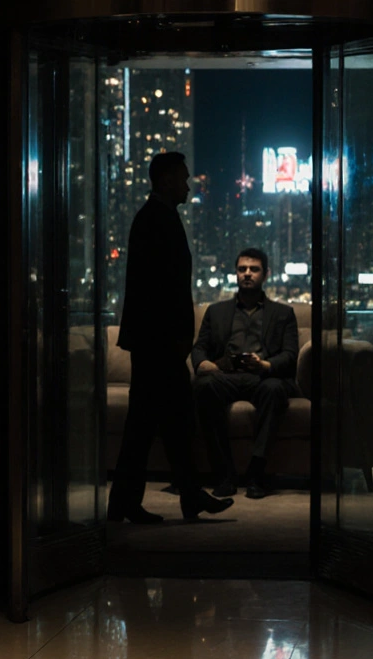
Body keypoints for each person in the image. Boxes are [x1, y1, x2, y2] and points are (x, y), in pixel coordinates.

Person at [110, 152, 234, 523]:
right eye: (183, 178)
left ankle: (176, 497)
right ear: (165, 180)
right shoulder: (156, 220)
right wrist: (176, 337)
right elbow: (161, 290)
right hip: (159, 344)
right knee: (154, 423)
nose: (188, 184)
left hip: (156, 342)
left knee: (166, 421)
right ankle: (140, 502)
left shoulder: (155, 218)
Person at [191, 248, 300, 499]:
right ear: (235, 274)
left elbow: (290, 354)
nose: (247, 274)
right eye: (242, 269)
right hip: (226, 376)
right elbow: (199, 348)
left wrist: (265, 365)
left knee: (274, 390)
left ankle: (256, 473)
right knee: (204, 387)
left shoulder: (284, 313)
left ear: (266, 274)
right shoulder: (216, 311)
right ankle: (224, 474)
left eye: (254, 269)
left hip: (264, 377)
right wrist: (204, 364)